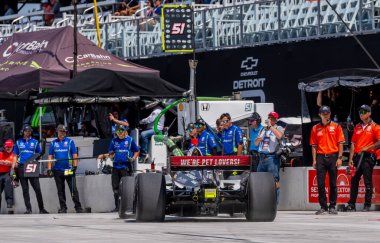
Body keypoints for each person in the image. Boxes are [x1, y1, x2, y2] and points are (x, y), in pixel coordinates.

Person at [310, 106, 345, 215]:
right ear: (320, 115)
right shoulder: (315, 128)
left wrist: (339, 158)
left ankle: (332, 206)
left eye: (327, 113)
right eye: (324, 113)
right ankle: (323, 207)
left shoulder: (336, 126)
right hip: (320, 157)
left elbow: (340, 143)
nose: (326, 115)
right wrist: (314, 160)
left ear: (330, 114)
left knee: (333, 183)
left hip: (333, 157)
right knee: (320, 184)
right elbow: (314, 146)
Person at [345, 105, 380, 212]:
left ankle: (367, 204)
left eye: (364, 111)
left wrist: (367, 148)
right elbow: (353, 144)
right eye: (360, 111)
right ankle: (351, 204)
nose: (361, 113)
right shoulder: (357, 127)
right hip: (357, 157)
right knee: (354, 180)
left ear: (369, 113)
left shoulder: (375, 126)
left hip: (368, 157)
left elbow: (379, 142)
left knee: (367, 181)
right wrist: (350, 159)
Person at [98, 124, 139, 212]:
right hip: (116, 166)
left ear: (124, 131)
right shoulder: (114, 141)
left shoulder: (130, 140)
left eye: (121, 131)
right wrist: (111, 154)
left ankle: (129, 207)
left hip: (126, 166)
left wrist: (133, 158)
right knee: (115, 188)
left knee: (127, 188)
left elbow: (137, 150)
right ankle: (117, 207)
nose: (120, 133)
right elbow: (110, 151)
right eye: (118, 131)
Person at [47, 124, 84, 213]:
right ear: (57, 132)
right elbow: (50, 156)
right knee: (60, 190)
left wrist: (75, 166)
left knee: (73, 189)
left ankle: (78, 207)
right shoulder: (53, 143)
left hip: (68, 170)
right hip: (57, 170)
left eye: (64, 132)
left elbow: (75, 154)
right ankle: (63, 208)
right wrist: (49, 169)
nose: (62, 133)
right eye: (61, 132)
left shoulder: (70, 142)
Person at [12, 124, 49, 214]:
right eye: (26, 131)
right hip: (21, 166)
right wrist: (13, 168)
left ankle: (41, 209)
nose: (27, 132)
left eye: (29, 131)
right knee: (25, 189)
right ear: (23, 132)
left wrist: (36, 160)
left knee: (37, 188)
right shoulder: (18, 142)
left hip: (32, 166)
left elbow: (39, 154)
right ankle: (28, 209)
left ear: (31, 132)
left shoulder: (35, 142)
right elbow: (15, 156)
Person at [254, 111, 284, 205]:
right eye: (269, 117)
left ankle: (275, 204)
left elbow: (279, 136)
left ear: (276, 119)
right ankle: (261, 203)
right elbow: (255, 143)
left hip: (272, 158)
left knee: (274, 181)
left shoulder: (278, 127)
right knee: (259, 181)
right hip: (262, 157)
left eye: (272, 117)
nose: (270, 119)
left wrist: (271, 127)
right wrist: (259, 139)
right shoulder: (263, 129)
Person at [0, 139, 15, 211]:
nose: (8, 148)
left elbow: (17, 165)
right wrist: (1, 162)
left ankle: (9, 203)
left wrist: (10, 163)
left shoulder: (14, 154)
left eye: (9, 147)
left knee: (8, 186)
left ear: (12, 147)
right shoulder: (1, 153)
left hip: (8, 173)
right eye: (6, 147)